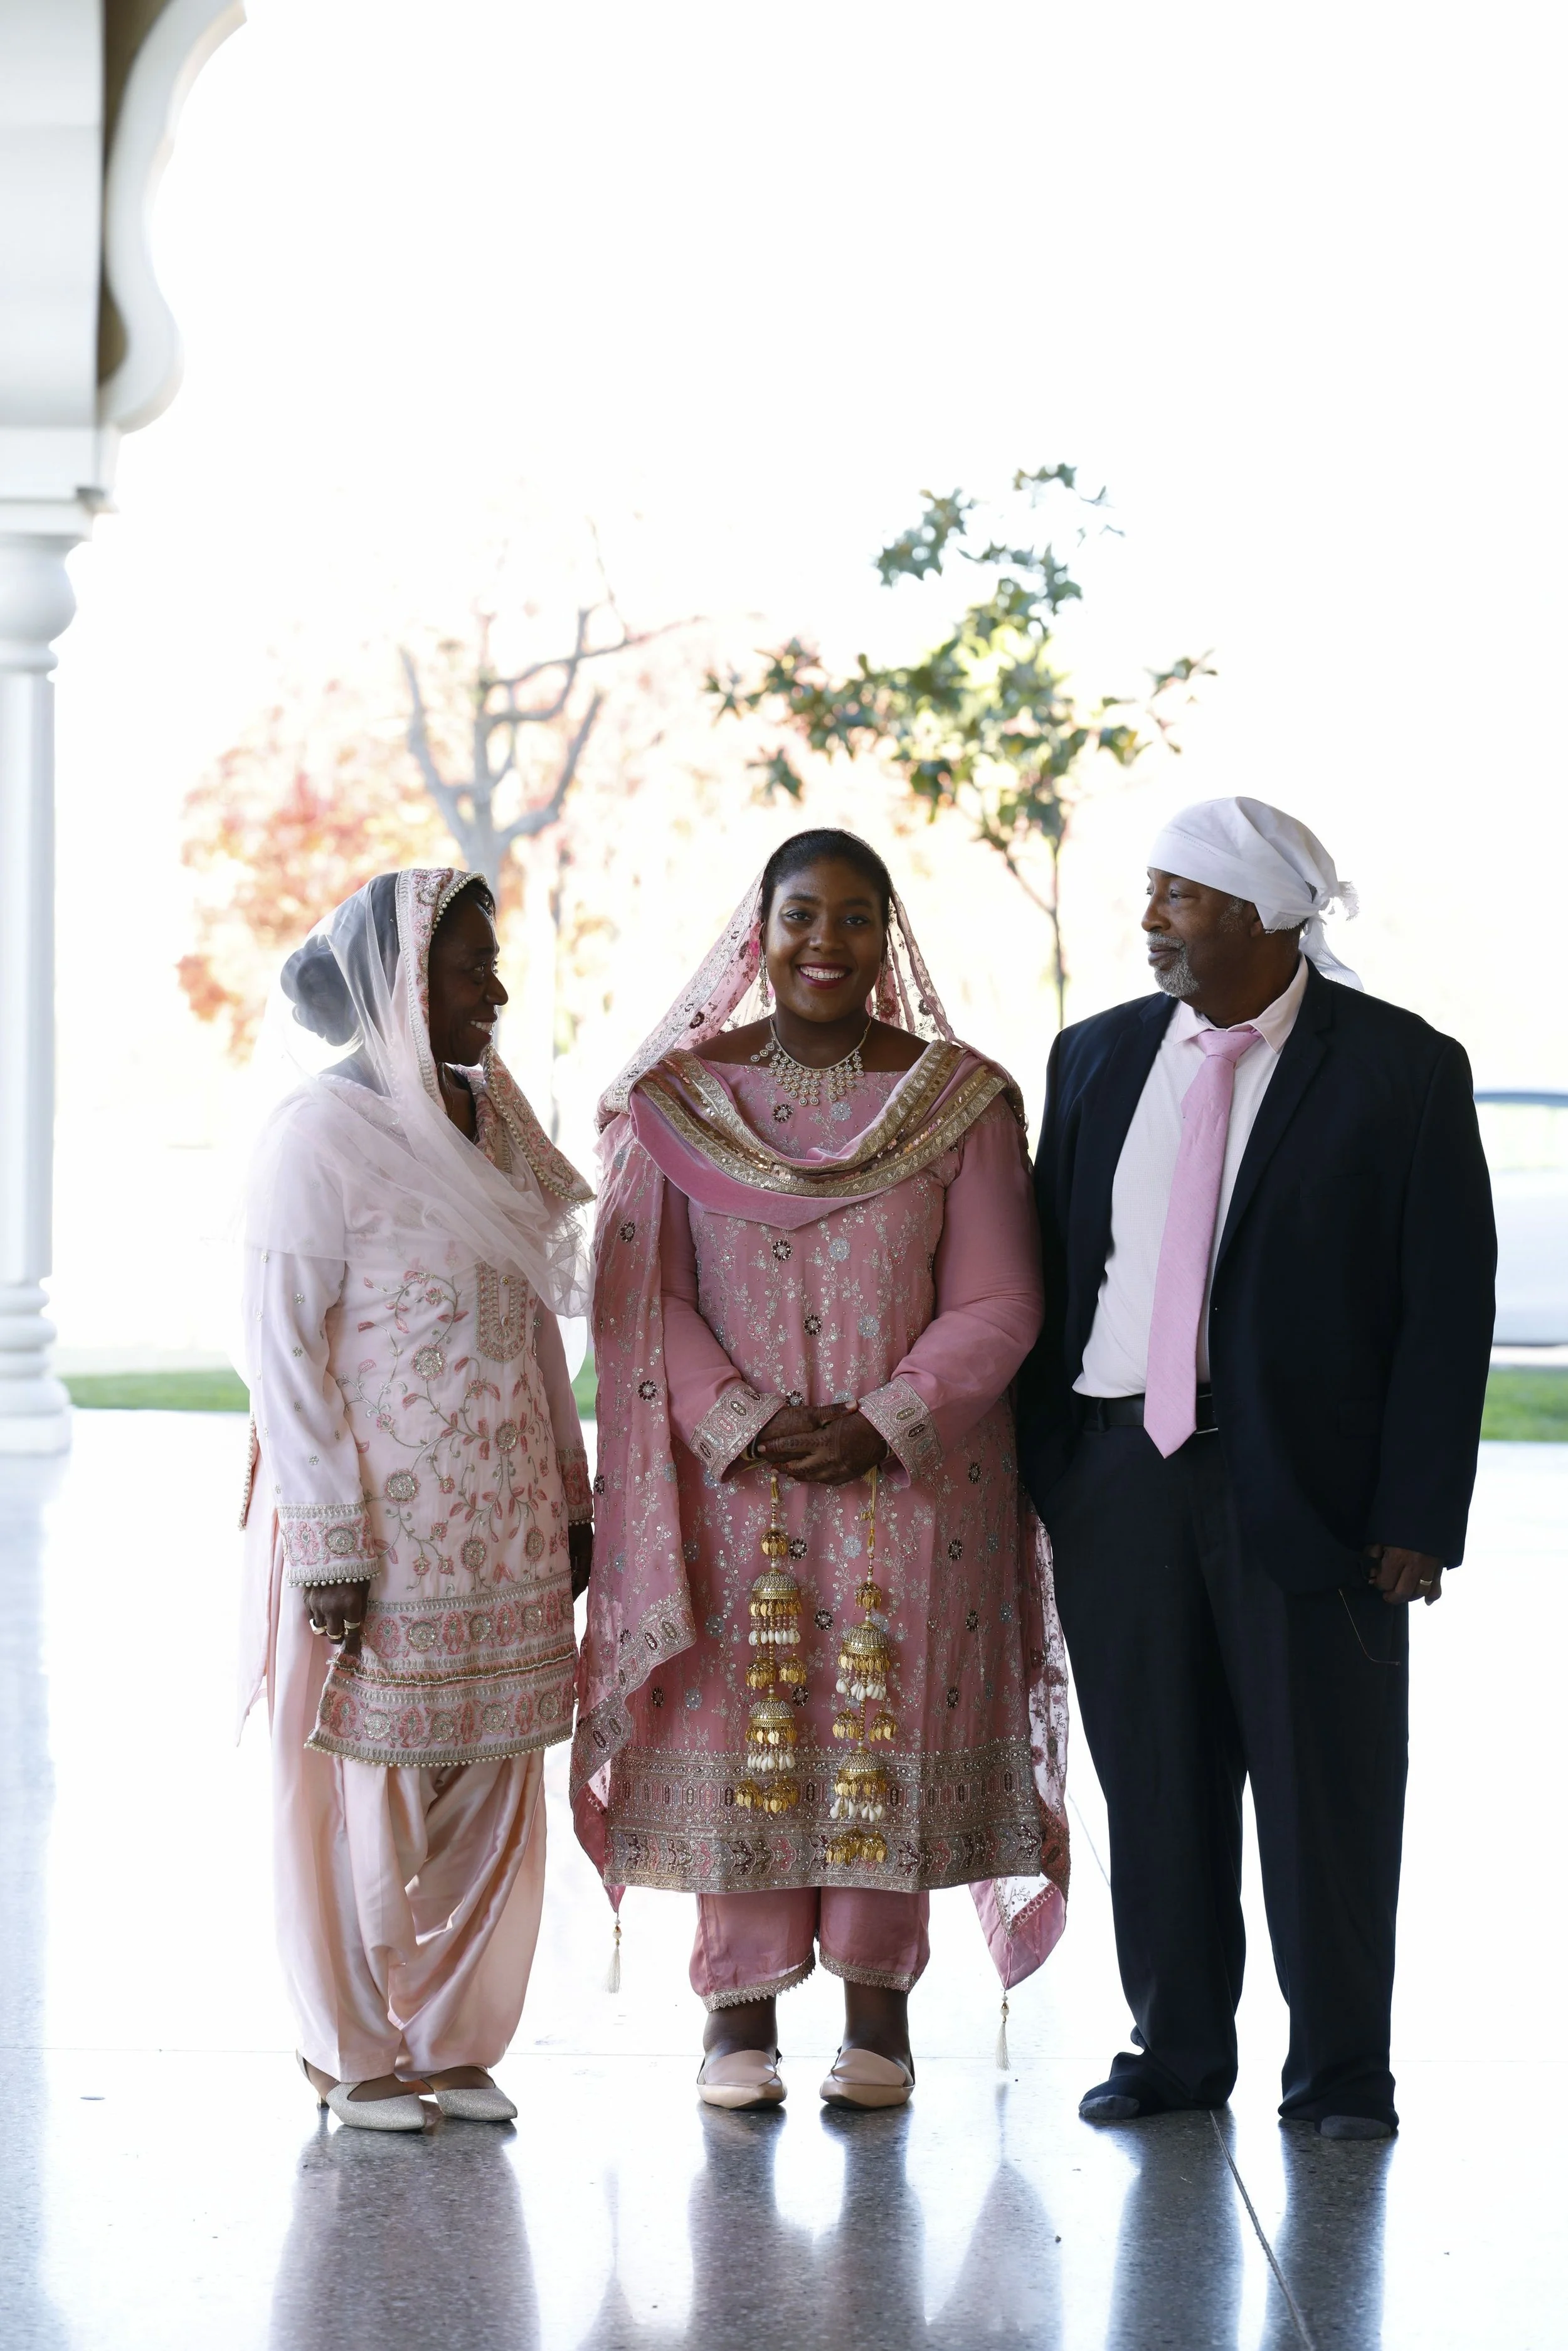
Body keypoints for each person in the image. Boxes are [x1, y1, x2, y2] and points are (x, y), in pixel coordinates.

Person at [1017, 796, 1495, 2140]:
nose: (1149, 916)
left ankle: (1341, 2073)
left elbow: (1442, 1307)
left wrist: (1416, 1512)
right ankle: (1172, 2053)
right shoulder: (1097, 1054)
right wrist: (1054, 1466)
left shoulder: (1399, 1068)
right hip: (1119, 1475)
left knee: (1323, 1793)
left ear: (1258, 913)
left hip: (1315, 1499)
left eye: (1174, 893)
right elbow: (1061, 1265)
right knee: (1156, 1786)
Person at [576, 829, 1071, 2112]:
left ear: (885, 934)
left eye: (855, 916)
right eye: (802, 914)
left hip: (909, 1479)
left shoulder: (959, 1099)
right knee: (741, 1715)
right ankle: (733, 2020)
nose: (825, 942)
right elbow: (641, 1292)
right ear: (761, 929)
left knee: (880, 1718)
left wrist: (884, 1416)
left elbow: (1002, 1296)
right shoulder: (678, 1101)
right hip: (728, 1480)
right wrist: (736, 1414)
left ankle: (878, 2023)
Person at [238, 866, 595, 2130]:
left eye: (491, 965)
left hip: (501, 1529)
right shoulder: (315, 1132)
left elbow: (537, 1324)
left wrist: (570, 1490)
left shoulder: (494, 1120)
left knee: (497, 1776)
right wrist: (328, 1536)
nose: (492, 989)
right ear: (398, 982)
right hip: (375, 1537)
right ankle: (350, 2046)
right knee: (357, 1783)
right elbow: (279, 1348)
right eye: (464, 966)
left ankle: (450, 2040)